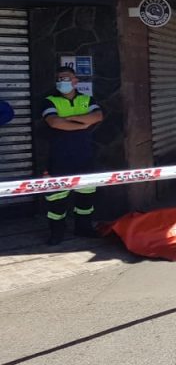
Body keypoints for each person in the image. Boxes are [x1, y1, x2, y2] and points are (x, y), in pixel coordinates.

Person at [42, 66, 104, 245]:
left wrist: (68, 120)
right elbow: (54, 122)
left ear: (76, 81)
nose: (63, 82)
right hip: (58, 158)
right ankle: (56, 233)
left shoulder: (87, 99)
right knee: (57, 199)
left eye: (67, 78)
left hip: (84, 156)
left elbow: (98, 116)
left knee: (86, 196)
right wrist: (82, 124)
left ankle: (83, 228)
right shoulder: (49, 101)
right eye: (59, 79)